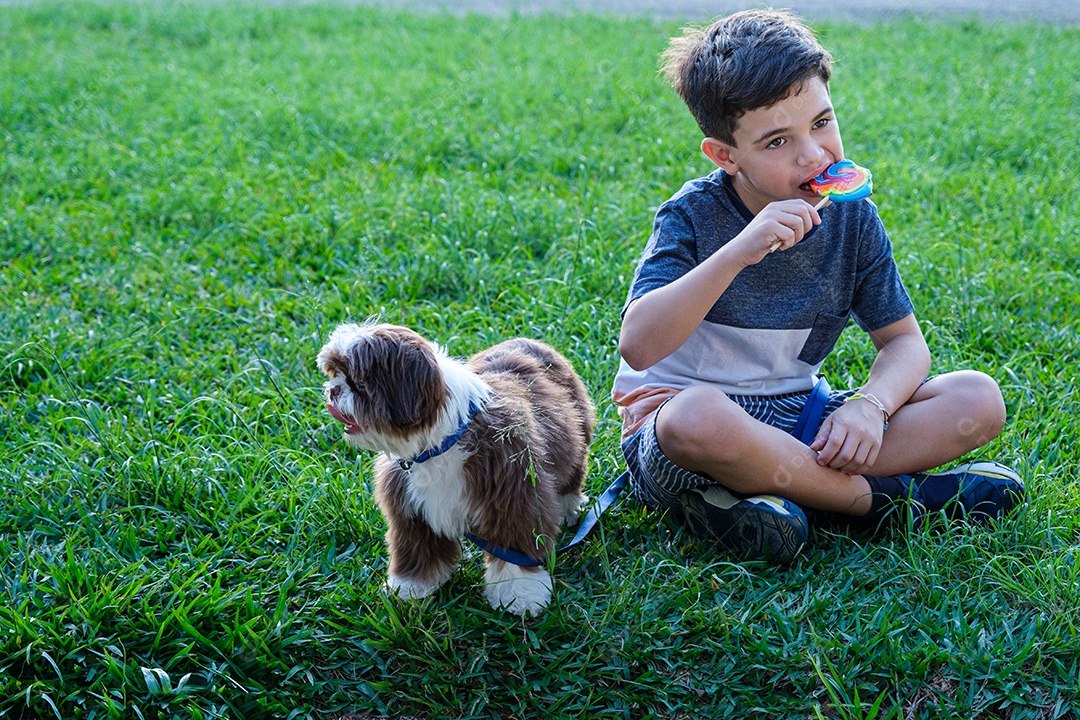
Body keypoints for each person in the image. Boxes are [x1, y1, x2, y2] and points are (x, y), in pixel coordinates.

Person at [612, 9, 1023, 562]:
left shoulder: (852, 220)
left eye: (822, 123)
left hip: (800, 415)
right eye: (777, 142)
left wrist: (870, 408)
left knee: (978, 398)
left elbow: (904, 344)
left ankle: (761, 500)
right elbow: (638, 344)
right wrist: (737, 253)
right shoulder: (692, 216)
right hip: (681, 434)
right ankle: (888, 502)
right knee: (697, 417)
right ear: (725, 156)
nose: (813, 154)